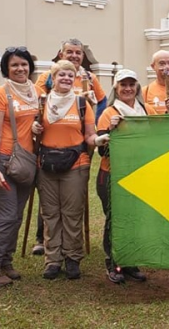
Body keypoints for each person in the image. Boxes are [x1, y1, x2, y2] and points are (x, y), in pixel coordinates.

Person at [32, 38, 106, 255]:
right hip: (50, 144)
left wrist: (94, 123)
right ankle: (42, 238)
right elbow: (35, 98)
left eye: (78, 53)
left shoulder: (89, 77)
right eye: (70, 52)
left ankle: (71, 247)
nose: (74, 56)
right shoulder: (48, 75)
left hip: (80, 144)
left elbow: (101, 102)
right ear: (60, 53)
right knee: (49, 194)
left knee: (72, 195)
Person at [30, 60, 97, 280]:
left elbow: (89, 135)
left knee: (72, 213)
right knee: (50, 213)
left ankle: (72, 257)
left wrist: (101, 139)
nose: (66, 78)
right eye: (62, 75)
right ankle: (52, 259)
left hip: (75, 163)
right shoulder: (41, 102)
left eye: (70, 75)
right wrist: (33, 128)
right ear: (53, 78)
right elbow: (31, 134)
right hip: (46, 163)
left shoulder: (81, 103)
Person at [0, 46, 40, 287]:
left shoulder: (35, 92)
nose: (20, 68)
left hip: (26, 161)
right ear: (6, 68)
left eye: (24, 64)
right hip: (5, 160)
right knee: (5, 216)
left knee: (16, 216)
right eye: (15, 64)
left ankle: (6, 261)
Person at [95, 69, 157, 284]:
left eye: (132, 84)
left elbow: (157, 139)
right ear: (116, 88)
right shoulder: (108, 113)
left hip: (139, 174)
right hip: (112, 174)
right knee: (115, 219)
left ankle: (129, 261)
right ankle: (114, 263)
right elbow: (102, 151)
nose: (128, 88)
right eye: (123, 85)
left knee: (134, 220)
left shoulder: (147, 111)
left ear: (137, 87)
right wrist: (110, 131)